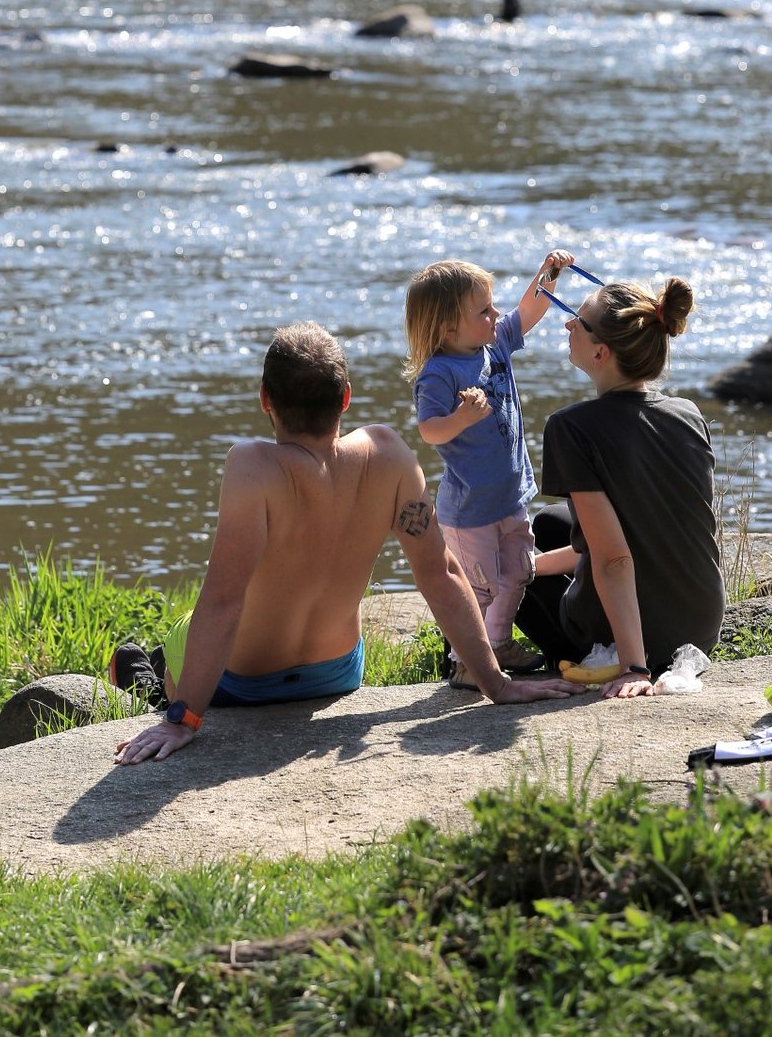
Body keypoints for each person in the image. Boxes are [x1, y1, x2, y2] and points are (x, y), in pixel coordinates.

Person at [113, 321, 582, 764]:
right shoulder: (387, 454)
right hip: (334, 675)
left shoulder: (251, 465)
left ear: (264, 399)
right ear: (346, 399)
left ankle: (156, 687)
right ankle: (155, 673)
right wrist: (494, 683)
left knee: (187, 625)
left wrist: (183, 722)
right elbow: (441, 574)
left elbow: (222, 601)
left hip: (241, 685)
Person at [514, 275, 725, 701]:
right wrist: (535, 564)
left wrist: (633, 666)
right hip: (701, 625)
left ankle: (606, 652)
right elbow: (655, 529)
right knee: (553, 523)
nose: (568, 325)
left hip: (644, 642)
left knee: (501, 571)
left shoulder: (571, 428)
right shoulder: (687, 413)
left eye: (577, 320)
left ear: (601, 352)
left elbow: (613, 558)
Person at [403, 249, 575, 692]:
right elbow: (428, 430)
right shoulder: (438, 373)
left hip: (511, 494)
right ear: (447, 327)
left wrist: (548, 272)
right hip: (471, 507)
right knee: (478, 588)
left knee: (520, 572)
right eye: (483, 310)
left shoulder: (494, 340)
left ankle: (496, 642)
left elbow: (529, 310)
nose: (495, 314)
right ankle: (466, 661)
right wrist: (459, 419)